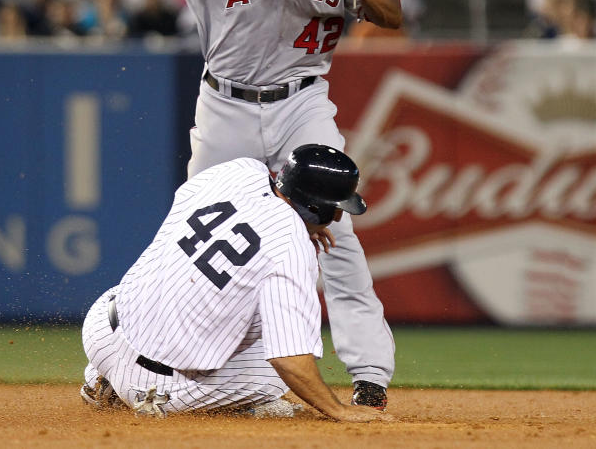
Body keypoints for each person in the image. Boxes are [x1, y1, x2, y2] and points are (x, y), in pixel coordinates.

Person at [104, 0, 402, 408]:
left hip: (302, 103)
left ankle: (370, 376)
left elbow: (392, 11)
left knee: (337, 237)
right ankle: (141, 360)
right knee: (190, 239)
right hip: (226, 106)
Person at [80, 144, 385, 421]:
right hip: (156, 387)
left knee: (173, 282)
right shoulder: (291, 248)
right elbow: (289, 359)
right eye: (335, 209)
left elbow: (188, 205)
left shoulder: (238, 170)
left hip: (101, 330)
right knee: (279, 366)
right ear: (314, 207)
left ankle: (103, 378)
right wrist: (339, 411)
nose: (340, 218)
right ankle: (141, 392)